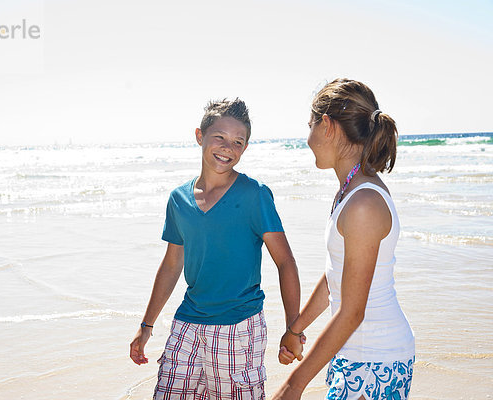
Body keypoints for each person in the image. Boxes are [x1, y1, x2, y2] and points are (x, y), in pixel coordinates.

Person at [129, 98, 304, 399]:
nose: (228, 148)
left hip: (239, 327)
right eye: (220, 138)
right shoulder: (179, 199)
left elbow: (285, 262)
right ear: (200, 136)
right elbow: (172, 265)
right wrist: (147, 325)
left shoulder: (255, 195)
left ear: (245, 148)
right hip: (187, 323)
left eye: (238, 142)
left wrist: (293, 327)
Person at [273, 79, 415, 400]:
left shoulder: (363, 202)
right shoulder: (349, 192)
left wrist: (293, 385)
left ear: (327, 126)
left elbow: (352, 311)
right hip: (354, 351)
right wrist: (296, 328)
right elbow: (337, 276)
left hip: (376, 359)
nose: (307, 138)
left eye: (309, 125)